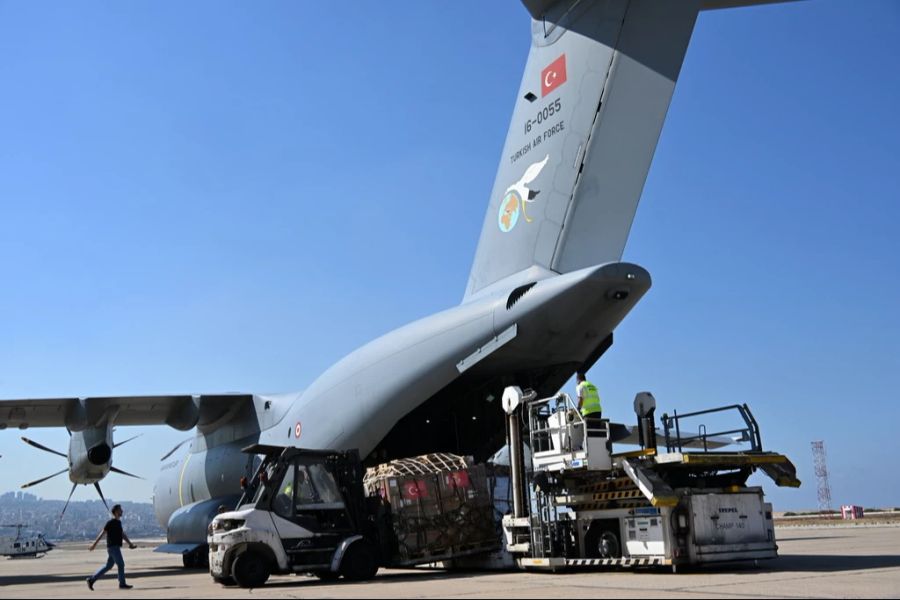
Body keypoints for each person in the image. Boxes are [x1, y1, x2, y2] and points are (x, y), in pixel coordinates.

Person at [86, 504, 136, 590]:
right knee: (121, 564)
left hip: (113, 548)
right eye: (120, 510)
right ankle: (122, 584)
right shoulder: (110, 523)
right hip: (113, 548)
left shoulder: (118, 523)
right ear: (116, 512)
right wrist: (94, 545)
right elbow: (102, 533)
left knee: (108, 566)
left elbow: (122, 534)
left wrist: (130, 544)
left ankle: (91, 580)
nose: (122, 511)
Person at [575, 371, 603, 436]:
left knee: (589, 433)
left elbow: (580, 399)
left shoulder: (580, 386)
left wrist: (578, 409)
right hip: (598, 411)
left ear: (578, 380)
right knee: (596, 432)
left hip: (588, 412)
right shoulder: (592, 385)